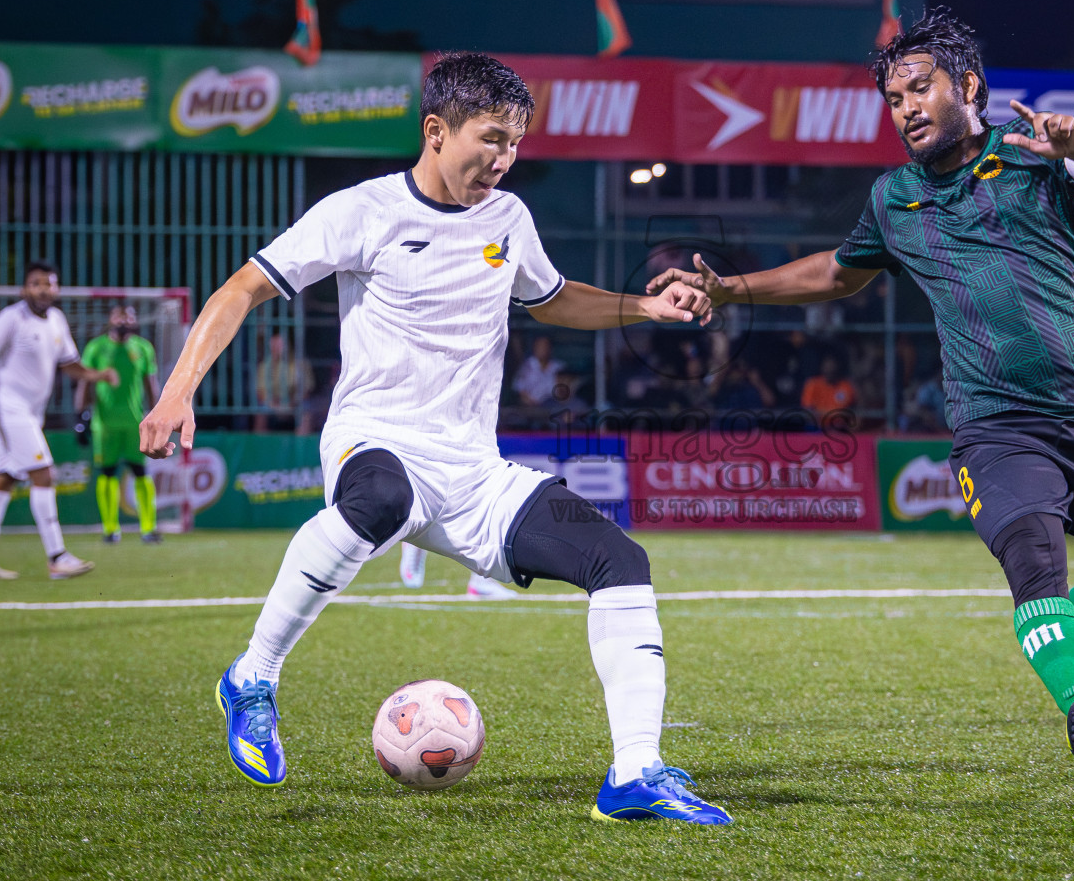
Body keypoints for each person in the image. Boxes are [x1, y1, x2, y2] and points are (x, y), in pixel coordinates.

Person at [139, 52, 730, 824]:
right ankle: (252, 677)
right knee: (381, 499)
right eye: (491, 138)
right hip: (375, 440)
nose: (503, 159)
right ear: (435, 130)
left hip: (473, 471)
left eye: (515, 143)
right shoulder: (364, 211)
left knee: (619, 560)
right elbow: (244, 286)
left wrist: (644, 310)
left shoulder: (509, 219)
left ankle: (635, 775)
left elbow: (551, 300)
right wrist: (178, 390)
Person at [649, 10, 1074, 802]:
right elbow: (837, 273)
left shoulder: (1033, 156)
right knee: (1031, 562)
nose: (908, 107)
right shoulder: (895, 199)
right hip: (995, 423)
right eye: (894, 98)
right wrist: (730, 287)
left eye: (921, 89)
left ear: (971, 88)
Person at [0, 261, 116, 581]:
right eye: (36, 283)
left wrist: (97, 375)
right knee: (43, 473)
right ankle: (57, 557)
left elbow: (69, 364)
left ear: (57, 289)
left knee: (4, 478)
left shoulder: (57, 320)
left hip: (31, 413)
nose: (43, 289)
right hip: (8, 408)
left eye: (49, 284)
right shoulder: (11, 318)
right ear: (24, 289)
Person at [77, 305, 162, 544]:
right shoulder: (96, 347)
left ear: (134, 320)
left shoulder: (143, 348)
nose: (124, 321)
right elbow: (85, 382)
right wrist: (79, 416)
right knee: (107, 473)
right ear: (110, 319)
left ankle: (148, 528)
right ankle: (110, 529)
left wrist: (157, 415)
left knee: (140, 471)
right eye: (119, 316)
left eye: (129, 316)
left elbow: (150, 384)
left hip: (136, 422)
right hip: (104, 423)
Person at [253, 331, 313, 433]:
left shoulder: (301, 364)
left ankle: (301, 445)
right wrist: (275, 406)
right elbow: (261, 393)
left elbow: (306, 391)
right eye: (274, 345)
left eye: (281, 344)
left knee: (306, 411)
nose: (278, 348)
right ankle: (261, 445)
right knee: (260, 412)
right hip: (272, 405)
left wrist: (291, 404)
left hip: (294, 403)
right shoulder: (264, 366)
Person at [512, 335, 564, 406]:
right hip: (529, 407)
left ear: (550, 348)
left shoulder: (559, 367)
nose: (541, 349)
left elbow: (565, 391)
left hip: (554, 406)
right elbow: (520, 390)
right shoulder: (526, 366)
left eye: (544, 346)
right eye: (539, 346)